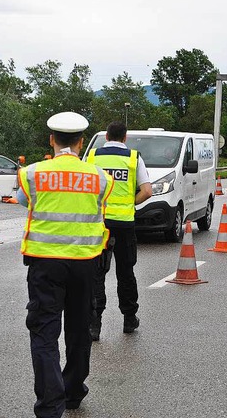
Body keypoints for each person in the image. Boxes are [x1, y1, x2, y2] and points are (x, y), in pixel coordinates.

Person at [17, 111, 114, 415]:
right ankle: (73, 391)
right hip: (85, 263)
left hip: (45, 264)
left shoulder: (33, 173)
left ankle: (49, 404)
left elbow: (23, 200)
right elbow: (100, 207)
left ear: (52, 140)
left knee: (44, 333)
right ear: (82, 141)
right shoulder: (99, 177)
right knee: (78, 329)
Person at [85, 121, 153, 341]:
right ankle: (129, 318)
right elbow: (147, 191)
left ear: (106, 136)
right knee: (125, 273)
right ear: (125, 138)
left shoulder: (93, 157)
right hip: (124, 224)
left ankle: (94, 324)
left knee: (96, 273)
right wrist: (129, 204)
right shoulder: (134, 158)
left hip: (100, 223)